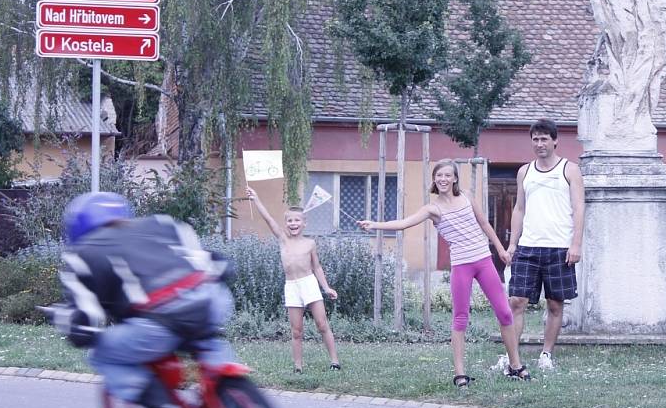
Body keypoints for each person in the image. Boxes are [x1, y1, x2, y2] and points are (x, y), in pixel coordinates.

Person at [55, 192, 237, 408]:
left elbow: (86, 321)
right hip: (211, 302)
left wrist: (73, 326)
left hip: (160, 322)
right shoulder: (163, 224)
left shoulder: (82, 254)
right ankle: (230, 396)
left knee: (102, 355)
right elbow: (212, 262)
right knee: (207, 338)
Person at [358, 159, 530, 387]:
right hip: (461, 266)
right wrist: (375, 225)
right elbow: (403, 223)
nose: (443, 179)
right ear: (434, 180)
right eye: (439, 176)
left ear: (455, 178)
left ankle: (515, 366)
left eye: (447, 175)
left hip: (484, 261)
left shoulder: (467, 196)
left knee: (505, 313)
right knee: (460, 319)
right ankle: (460, 374)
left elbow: (485, 224)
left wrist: (500, 249)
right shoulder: (433, 209)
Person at [505, 118, 585, 370]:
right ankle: (512, 358)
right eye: (535, 139)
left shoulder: (569, 169)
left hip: (559, 248)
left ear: (555, 140)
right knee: (516, 301)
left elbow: (579, 208)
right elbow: (519, 208)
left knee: (554, 303)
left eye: (544, 139)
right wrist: (512, 244)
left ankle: (546, 355)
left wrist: (576, 244)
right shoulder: (524, 171)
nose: (539, 143)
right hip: (528, 247)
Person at [246, 186, 340, 373]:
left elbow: (317, 267)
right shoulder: (283, 239)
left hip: (309, 284)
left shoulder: (310, 243)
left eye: (297, 220)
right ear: (286, 223)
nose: (293, 223)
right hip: (292, 286)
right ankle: (298, 367)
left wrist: (326, 287)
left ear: (304, 223)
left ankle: (335, 362)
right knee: (296, 331)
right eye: (289, 220)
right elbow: (268, 219)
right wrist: (256, 199)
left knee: (322, 324)